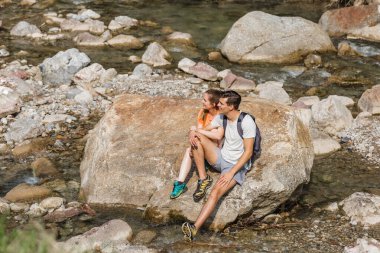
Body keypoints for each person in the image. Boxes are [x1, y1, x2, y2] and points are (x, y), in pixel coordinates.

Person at [181, 90, 257, 241]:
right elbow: (203, 130)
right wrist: (193, 131)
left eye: (221, 103)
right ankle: (204, 179)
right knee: (197, 138)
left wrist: (231, 173)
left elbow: (248, 153)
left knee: (215, 192)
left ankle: (194, 229)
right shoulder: (221, 117)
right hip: (221, 157)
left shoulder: (246, 121)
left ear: (231, 107)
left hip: (235, 166)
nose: (218, 105)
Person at [170, 89, 223, 199]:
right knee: (189, 149)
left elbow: (218, 136)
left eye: (205, 100)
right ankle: (180, 183)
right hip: (203, 149)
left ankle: (203, 179)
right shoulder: (203, 112)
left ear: (213, 104)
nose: (202, 102)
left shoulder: (221, 116)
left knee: (201, 134)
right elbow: (198, 133)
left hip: (217, 152)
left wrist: (194, 131)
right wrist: (193, 132)